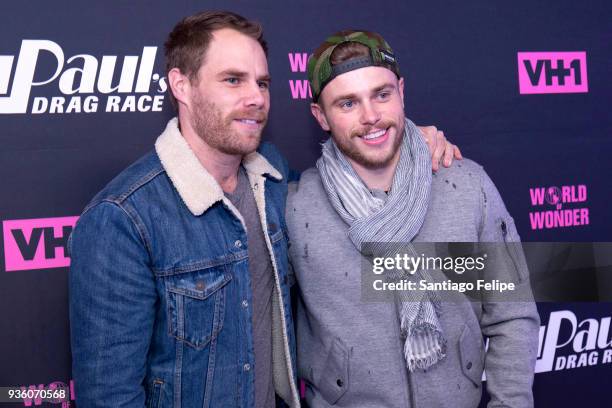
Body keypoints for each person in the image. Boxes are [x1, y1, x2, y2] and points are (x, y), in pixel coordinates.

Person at [68, 11, 459, 408]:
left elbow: (505, 291)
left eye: (263, 83)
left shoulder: (273, 181)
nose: (256, 97)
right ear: (181, 86)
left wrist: (410, 144)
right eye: (233, 80)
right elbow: (109, 397)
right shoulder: (121, 219)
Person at [286, 30, 540, 407]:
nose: (371, 117)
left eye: (381, 95)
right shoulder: (294, 208)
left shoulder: (467, 187)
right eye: (347, 104)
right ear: (320, 115)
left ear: (401, 91)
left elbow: (511, 316)